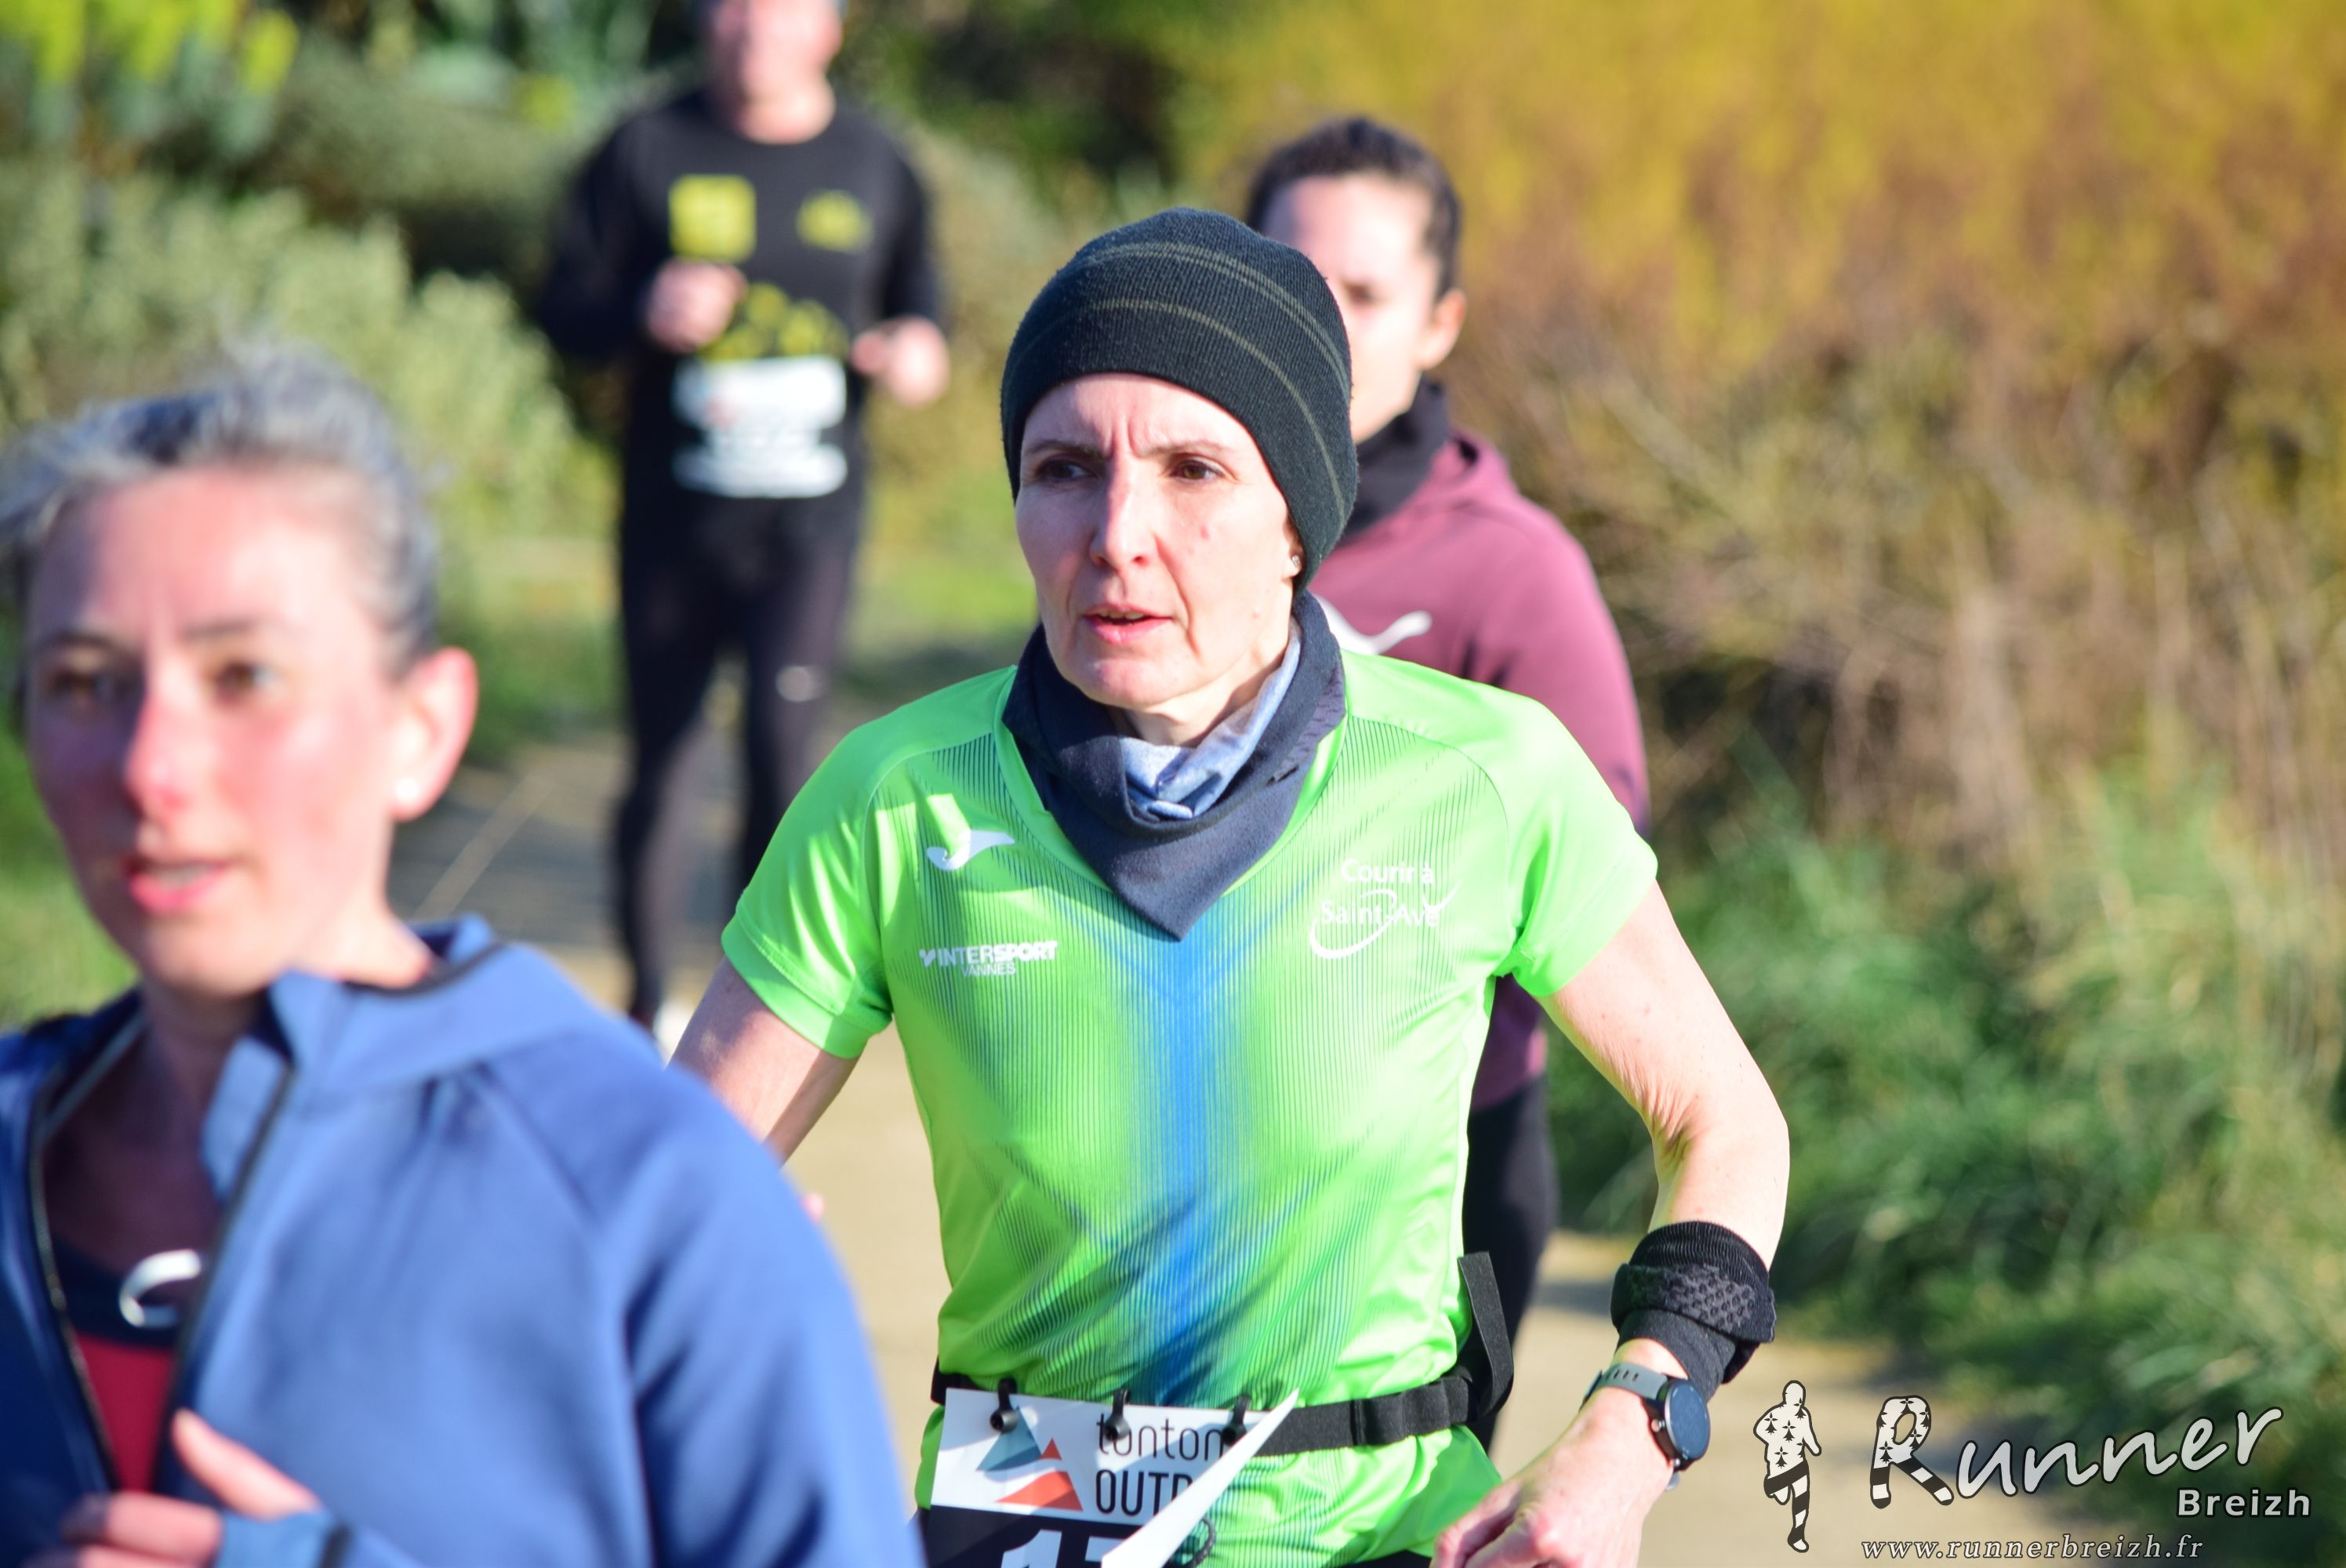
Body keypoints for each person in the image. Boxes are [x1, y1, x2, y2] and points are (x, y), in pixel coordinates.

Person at [677, 209, 1790, 1567]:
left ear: (1297, 522)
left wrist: (1635, 1427)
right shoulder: (895, 797)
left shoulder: (1483, 776)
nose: (1118, 535)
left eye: (1195, 469)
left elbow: (1725, 1122)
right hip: (1020, 1518)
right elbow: (663, 1188)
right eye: (1063, 468)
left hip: (1378, 1525)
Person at [0, 350, 918, 1568]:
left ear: (421, 728)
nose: (151, 765)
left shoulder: (659, 1197)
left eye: (246, 677)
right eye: (85, 683)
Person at [1247, 117, 1651, 1431]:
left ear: (1440, 324)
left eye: (1365, 295)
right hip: (1186, 1131)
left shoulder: (1511, 570)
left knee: (1420, 1507)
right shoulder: (1167, 532)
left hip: (1449, 1156)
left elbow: (1595, 859)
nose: (1324, 328)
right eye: (1294, 284)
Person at [539, 0, 949, 1035]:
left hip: (809, 525)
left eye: (780, 5)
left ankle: (752, 1015)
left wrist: (915, 351)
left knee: (779, 752)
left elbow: (922, 309)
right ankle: (646, 1008)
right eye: (731, 3)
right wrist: (642, 309)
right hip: (674, 519)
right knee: (665, 759)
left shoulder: (877, 161)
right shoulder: (645, 146)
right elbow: (563, 306)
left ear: (830, 27)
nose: (752, 24)